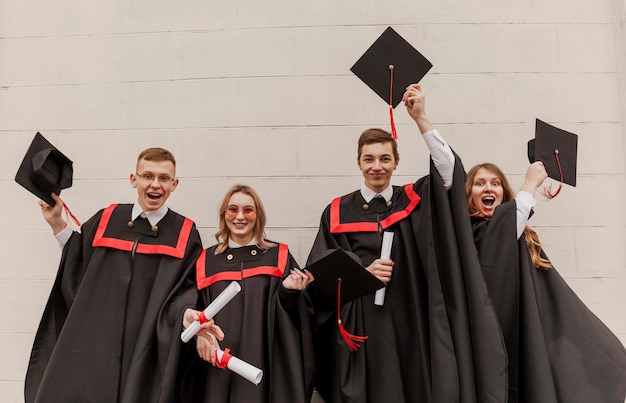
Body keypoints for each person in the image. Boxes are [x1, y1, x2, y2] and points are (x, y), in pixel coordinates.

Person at [305, 84, 509, 402]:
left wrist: (421, 119)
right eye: (369, 159)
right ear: (359, 163)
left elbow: (448, 172)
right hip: (363, 324)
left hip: (410, 314)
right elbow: (320, 276)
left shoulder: (412, 199)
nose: (377, 166)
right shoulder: (336, 211)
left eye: (385, 158)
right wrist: (362, 271)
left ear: (396, 163)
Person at [25, 147, 223, 403]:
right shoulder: (107, 219)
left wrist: (186, 315)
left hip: (145, 347)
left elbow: (184, 291)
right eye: (147, 176)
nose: (155, 184)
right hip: (98, 342)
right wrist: (56, 223)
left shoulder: (183, 232)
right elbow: (78, 264)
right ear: (134, 179)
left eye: (163, 178)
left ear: (174, 184)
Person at [466, 162, 626, 403]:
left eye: (495, 183)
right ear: (468, 195)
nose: (488, 188)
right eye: (480, 183)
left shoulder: (524, 236)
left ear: (504, 194)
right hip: (495, 338)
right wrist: (530, 183)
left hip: (531, 328)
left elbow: (550, 288)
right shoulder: (471, 233)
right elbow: (498, 237)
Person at [180, 184, 316, 403]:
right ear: (224, 215)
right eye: (233, 210)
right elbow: (193, 309)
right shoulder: (207, 260)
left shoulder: (278, 256)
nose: (240, 216)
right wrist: (200, 335)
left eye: (248, 210)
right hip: (217, 366)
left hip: (265, 361)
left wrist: (289, 291)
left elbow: (298, 316)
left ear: (258, 215)